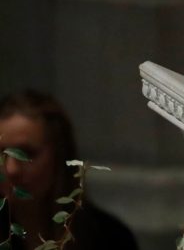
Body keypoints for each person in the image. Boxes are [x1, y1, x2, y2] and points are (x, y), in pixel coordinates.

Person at [0, 90, 138, 250]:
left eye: (26, 153)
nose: (11, 170)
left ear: (60, 155)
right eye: (2, 154)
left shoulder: (109, 237)